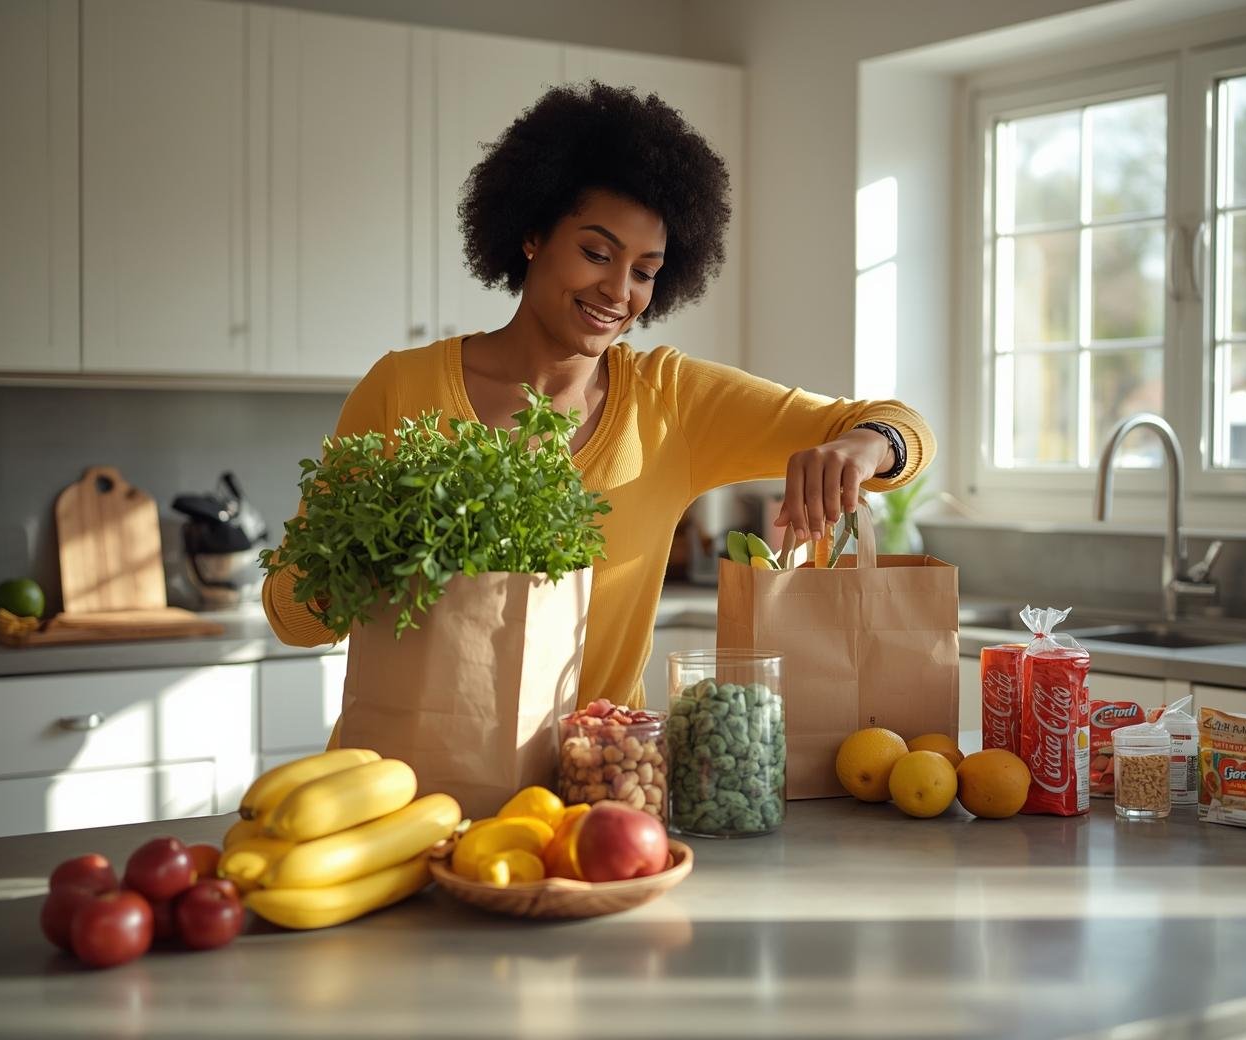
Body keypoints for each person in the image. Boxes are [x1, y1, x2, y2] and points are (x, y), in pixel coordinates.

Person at [263, 81, 934, 709]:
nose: (619, 293)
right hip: (404, 793)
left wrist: (858, 447)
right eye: (595, 252)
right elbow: (294, 619)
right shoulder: (403, 387)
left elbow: (901, 429)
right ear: (531, 233)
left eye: (645, 271)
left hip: (594, 799)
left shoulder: (671, 401)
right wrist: (378, 543)